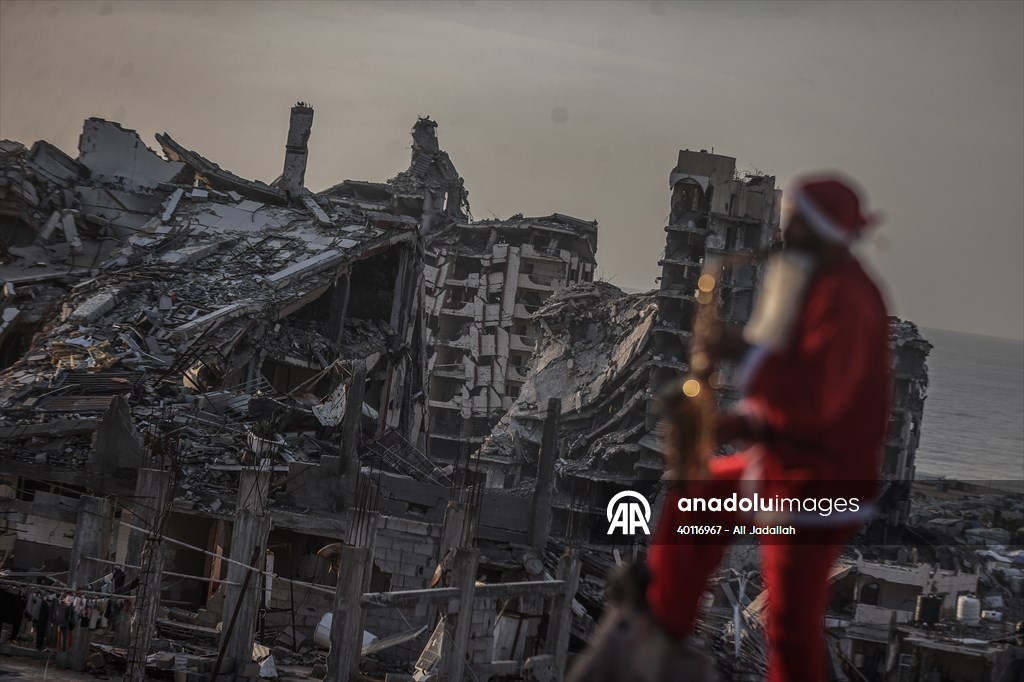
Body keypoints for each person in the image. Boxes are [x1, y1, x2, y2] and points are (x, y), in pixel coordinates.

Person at [645, 174, 891, 682]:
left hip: (817, 482)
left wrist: (742, 361)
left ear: (820, 229)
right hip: (784, 463)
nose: (783, 237)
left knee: (790, 626)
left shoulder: (847, 299)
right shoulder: (821, 287)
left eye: (794, 225)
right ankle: (661, 641)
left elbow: (818, 400)